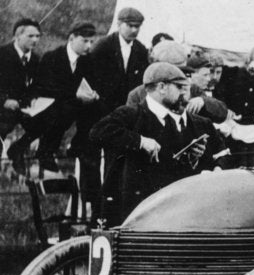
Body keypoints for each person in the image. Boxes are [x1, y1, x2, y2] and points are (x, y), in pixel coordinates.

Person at [90, 63, 230, 225]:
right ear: (162, 87)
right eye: (180, 87)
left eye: (187, 87)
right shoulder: (131, 116)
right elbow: (97, 132)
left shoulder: (200, 123)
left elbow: (223, 155)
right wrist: (140, 141)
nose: (186, 93)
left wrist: (214, 170)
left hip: (186, 216)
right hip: (139, 216)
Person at [16, 22, 100, 175]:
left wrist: (93, 93)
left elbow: (92, 82)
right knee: (63, 110)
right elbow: (45, 88)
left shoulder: (87, 60)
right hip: (42, 104)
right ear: (71, 38)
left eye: (91, 42)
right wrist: (75, 95)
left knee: (93, 108)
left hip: (69, 103)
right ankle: (45, 152)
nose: (88, 46)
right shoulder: (53, 57)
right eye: (85, 41)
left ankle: (78, 145)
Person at [0, 18, 43, 171]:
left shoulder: (36, 60)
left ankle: (17, 150)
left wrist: (34, 100)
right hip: (3, 110)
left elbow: (36, 86)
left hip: (24, 108)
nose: (35, 40)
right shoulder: (2, 54)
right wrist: (4, 101)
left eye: (37, 36)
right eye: (30, 36)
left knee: (47, 123)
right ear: (17, 36)